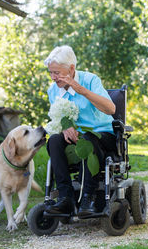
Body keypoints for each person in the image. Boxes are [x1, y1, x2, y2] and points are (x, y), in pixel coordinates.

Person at [44, 45, 116, 217]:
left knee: (87, 140)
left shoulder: (91, 80)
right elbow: (59, 117)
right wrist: (65, 127)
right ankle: (65, 198)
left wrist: (81, 90)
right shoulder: (53, 90)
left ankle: (88, 198)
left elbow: (111, 109)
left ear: (71, 69)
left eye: (57, 73)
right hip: (75, 136)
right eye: (50, 73)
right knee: (53, 141)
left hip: (101, 134)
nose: (53, 78)